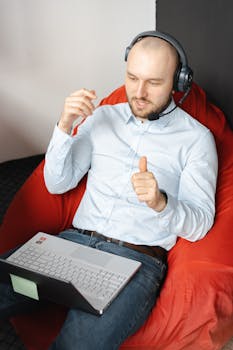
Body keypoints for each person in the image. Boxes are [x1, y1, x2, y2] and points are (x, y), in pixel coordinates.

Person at [0, 31, 218, 350]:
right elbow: (57, 183)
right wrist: (63, 126)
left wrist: (161, 203)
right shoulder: (102, 117)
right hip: (71, 247)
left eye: (154, 83)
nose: (139, 92)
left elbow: (201, 224)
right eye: (132, 78)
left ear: (178, 82)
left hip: (133, 264)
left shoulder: (196, 139)